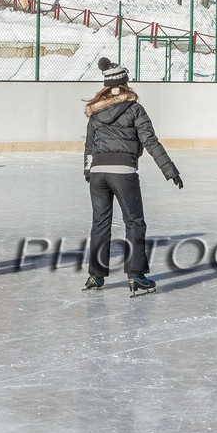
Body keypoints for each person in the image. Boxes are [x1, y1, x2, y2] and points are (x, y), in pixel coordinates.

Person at [82, 57, 183, 295]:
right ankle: (136, 276)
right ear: (126, 83)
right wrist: (170, 170)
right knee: (134, 222)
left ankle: (96, 276)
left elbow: (88, 147)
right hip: (123, 172)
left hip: (98, 173)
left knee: (100, 223)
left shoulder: (96, 112)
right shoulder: (135, 109)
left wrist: (89, 171)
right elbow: (149, 141)